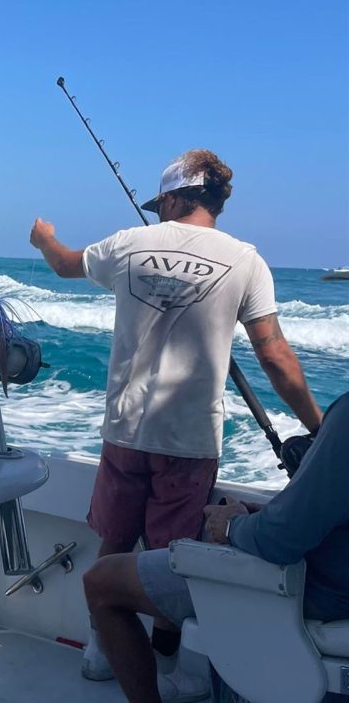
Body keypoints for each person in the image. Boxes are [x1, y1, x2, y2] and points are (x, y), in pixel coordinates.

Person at [29, 149, 323, 681]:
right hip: (190, 441)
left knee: (115, 540)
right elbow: (275, 356)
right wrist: (322, 429)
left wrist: (43, 237)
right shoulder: (247, 259)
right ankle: (170, 662)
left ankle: (102, 653)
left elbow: (64, 264)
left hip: (125, 431)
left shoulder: (129, 242)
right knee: (170, 557)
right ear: (215, 201)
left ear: (170, 198)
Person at [84, 391, 349, 703]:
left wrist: (230, 524)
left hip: (310, 590)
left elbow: (278, 542)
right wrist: (268, 514)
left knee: (102, 582)